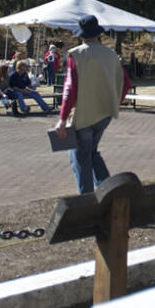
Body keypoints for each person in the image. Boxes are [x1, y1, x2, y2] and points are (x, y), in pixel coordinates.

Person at [53, 15, 124, 194]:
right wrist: (114, 102)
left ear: (81, 34)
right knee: (91, 153)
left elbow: (70, 88)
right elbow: (125, 82)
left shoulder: (76, 55)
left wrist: (62, 118)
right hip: (105, 113)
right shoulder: (111, 55)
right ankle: (108, 189)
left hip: (83, 115)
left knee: (79, 157)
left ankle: (85, 199)